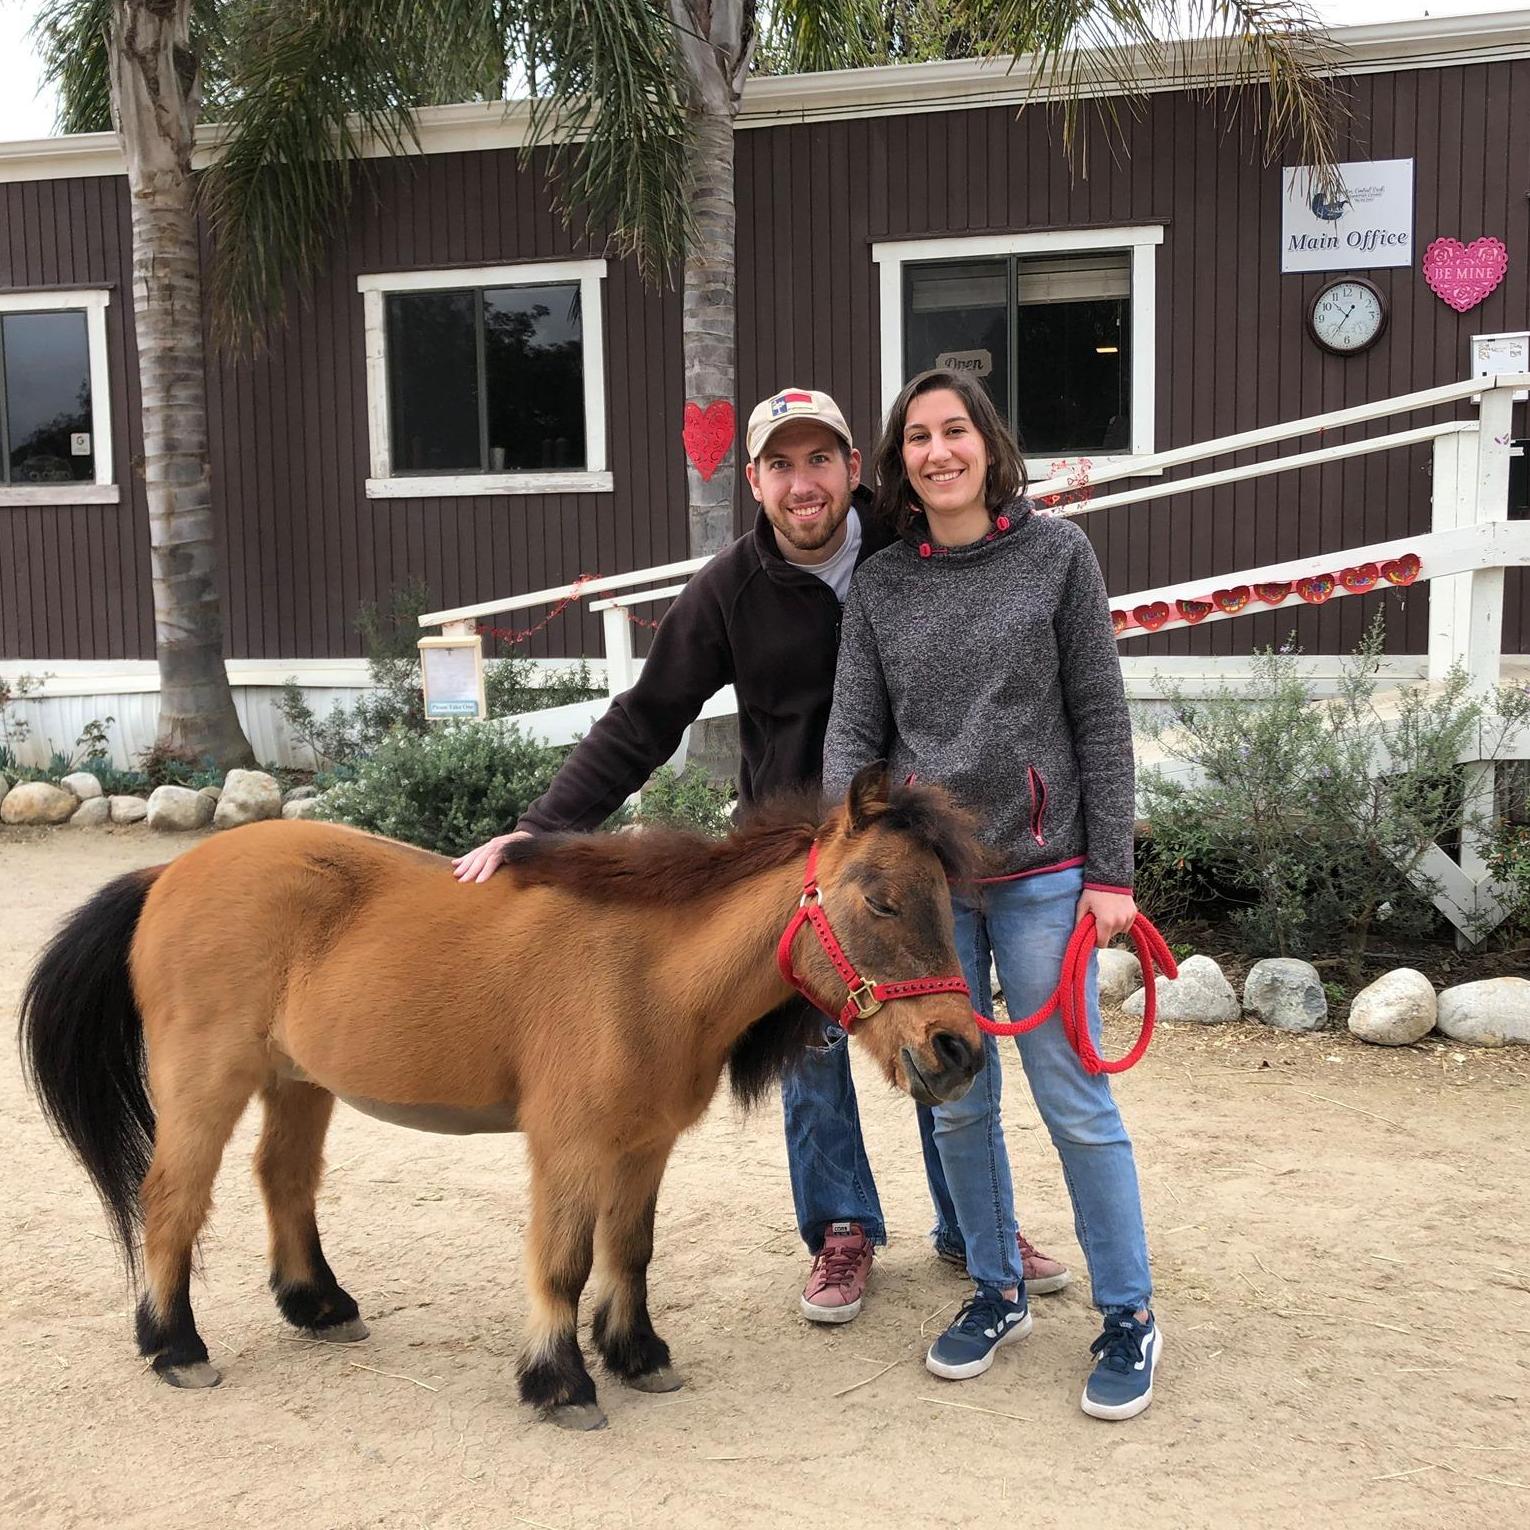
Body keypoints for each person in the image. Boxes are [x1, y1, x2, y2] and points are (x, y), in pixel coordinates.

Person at [452, 385, 1070, 1327]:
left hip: (903, 850)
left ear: (853, 468)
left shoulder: (906, 555)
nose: (802, 482)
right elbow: (647, 718)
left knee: (929, 1021)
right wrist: (542, 830)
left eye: (819, 459)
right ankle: (841, 1230)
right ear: (755, 480)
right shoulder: (728, 589)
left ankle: (970, 1226)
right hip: (791, 862)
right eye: (780, 465)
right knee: (809, 1054)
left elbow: (991, 537)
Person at [822, 368, 1161, 1420]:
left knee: (1074, 1102)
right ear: (900, 464)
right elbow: (853, 729)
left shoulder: (1058, 557)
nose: (937, 452)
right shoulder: (880, 586)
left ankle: (1128, 1314)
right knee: (958, 1100)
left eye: (953, 430)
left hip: (1045, 875)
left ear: (987, 443)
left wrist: (1112, 875)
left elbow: (1100, 721)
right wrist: (847, 849)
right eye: (916, 438)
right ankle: (997, 1289)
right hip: (932, 891)